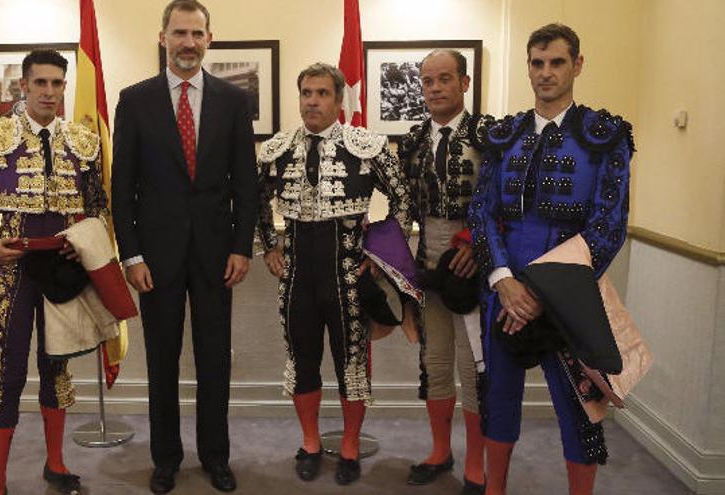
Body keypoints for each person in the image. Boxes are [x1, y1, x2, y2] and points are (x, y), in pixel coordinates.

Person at [468, 23, 634, 494]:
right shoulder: (504, 135)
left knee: (578, 408)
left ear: (577, 65)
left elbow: (607, 226)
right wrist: (503, 280)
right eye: (537, 63)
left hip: (570, 293)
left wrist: (540, 295)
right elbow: (481, 212)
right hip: (506, 289)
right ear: (528, 67)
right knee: (498, 400)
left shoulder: (606, 135)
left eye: (556, 62)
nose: (545, 73)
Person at [110, 1, 257, 493]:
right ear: (163, 38)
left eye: (197, 33)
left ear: (209, 39)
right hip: (155, 259)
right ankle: (166, 459)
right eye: (180, 33)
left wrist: (242, 247)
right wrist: (131, 255)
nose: (188, 42)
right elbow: (121, 186)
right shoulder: (135, 100)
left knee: (215, 359)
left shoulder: (234, 103)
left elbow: (246, 184)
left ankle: (216, 456)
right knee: (162, 361)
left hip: (218, 257)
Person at [0, 49, 107, 495]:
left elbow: (98, 206)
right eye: (40, 83)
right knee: (9, 373)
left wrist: (88, 245)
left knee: (56, 369)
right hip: (15, 272)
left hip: (63, 272)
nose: (49, 92)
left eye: (57, 83)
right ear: (23, 86)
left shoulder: (84, 141)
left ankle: (55, 464)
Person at [257, 62, 411, 486]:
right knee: (303, 362)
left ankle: (347, 446)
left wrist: (380, 259)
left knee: (351, 365)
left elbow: (402, 201)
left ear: (339, 101)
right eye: (306, 92)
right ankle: (309, 443)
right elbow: (254, 200)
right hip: (297, 277)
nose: (312, 100)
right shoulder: (279, 148)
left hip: (346, 275)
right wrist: (270, 244)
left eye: (322, 93)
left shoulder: (366, 146)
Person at [397, 49, 493, 495]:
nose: (435, 88)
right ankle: (440, 451)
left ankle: (476, 462)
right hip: (428, 268)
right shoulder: (414, 139)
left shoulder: (490, 135)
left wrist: (477, 242)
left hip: (474, 265)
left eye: (444, 79)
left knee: (474, 370)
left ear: (464, 83)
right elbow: (404, 207)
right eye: (428, 80)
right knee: (434, 364)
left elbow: (504, 200)